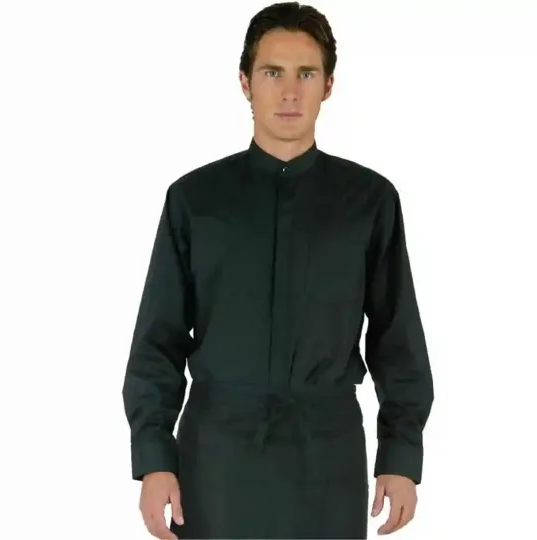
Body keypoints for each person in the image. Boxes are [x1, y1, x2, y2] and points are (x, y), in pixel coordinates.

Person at [121, 2, 434, 538]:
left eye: (306, 74)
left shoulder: (369, 201)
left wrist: (400, 457)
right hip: (217, 456)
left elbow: (397, 338)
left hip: (328, 456)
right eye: (272, 73)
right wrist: (154, 460)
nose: (290, 92)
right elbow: (158, 341)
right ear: (245, 82)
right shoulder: (195, 201)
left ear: (328, 85)